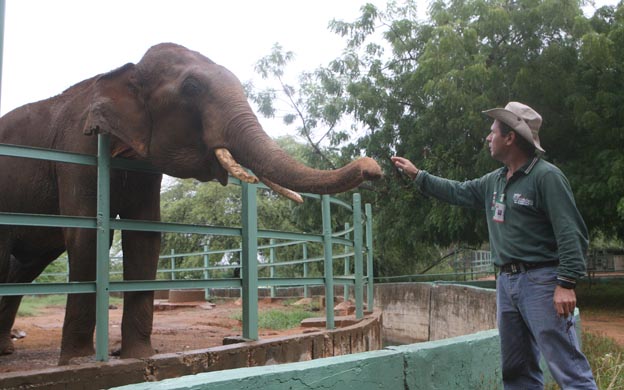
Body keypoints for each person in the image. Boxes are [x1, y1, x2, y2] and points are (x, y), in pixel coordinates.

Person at [392, 102, 597, 389]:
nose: (488, 138)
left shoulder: (546, 177)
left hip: (542, 282)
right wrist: (418, 175)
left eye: (492, 132)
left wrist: (566, 282)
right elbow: (458, 191)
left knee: (568, 367)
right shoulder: (495, 181)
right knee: (517, 369)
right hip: (506, 282)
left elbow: (571, 231)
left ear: (510, 137)